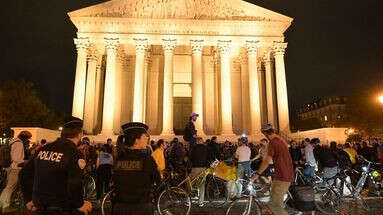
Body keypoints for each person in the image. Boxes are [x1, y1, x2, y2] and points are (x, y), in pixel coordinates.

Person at [20, 117, 92, 215]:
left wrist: (28, 198)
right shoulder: (75, 153)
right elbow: (74, 183)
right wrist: (80, 204)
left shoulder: (44, 149)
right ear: (79, 135)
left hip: (39, 205)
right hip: (62, 207)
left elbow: (24, 173)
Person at [112, 122, 160, 215]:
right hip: (141, 207)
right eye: (144, 136)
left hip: (120, 207)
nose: (147, 138)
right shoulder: (147, 159)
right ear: (136, 140)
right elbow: (157, 180)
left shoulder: (118, 159)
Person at [251, 124, 294, 215]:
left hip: (283, 176)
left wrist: (257, 174)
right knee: (272, 203)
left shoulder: (273, 142)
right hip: (281, 175)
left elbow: (267, 160)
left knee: (275, 206)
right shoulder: (280, 140)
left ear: (265, 133)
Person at [0, 130, 29, 214]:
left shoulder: (13, 141)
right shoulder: (19, 143)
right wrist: (25, 161)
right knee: (10, 187)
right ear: (25, 138)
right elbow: (16, 158)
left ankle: (2, 203)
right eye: (28, 138)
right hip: (15, 168)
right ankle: (5, 206)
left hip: (9, 166)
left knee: (8, 186)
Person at [189, 137, 208, 206]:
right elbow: (208, 157)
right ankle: (200, 202)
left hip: (195, 167)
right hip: (203, 168)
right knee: (202, 185)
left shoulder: (194, 148)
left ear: (197, 141)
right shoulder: (206, 148)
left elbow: (190, 157)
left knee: (191, 183)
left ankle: (188, 200)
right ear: (202, 141)